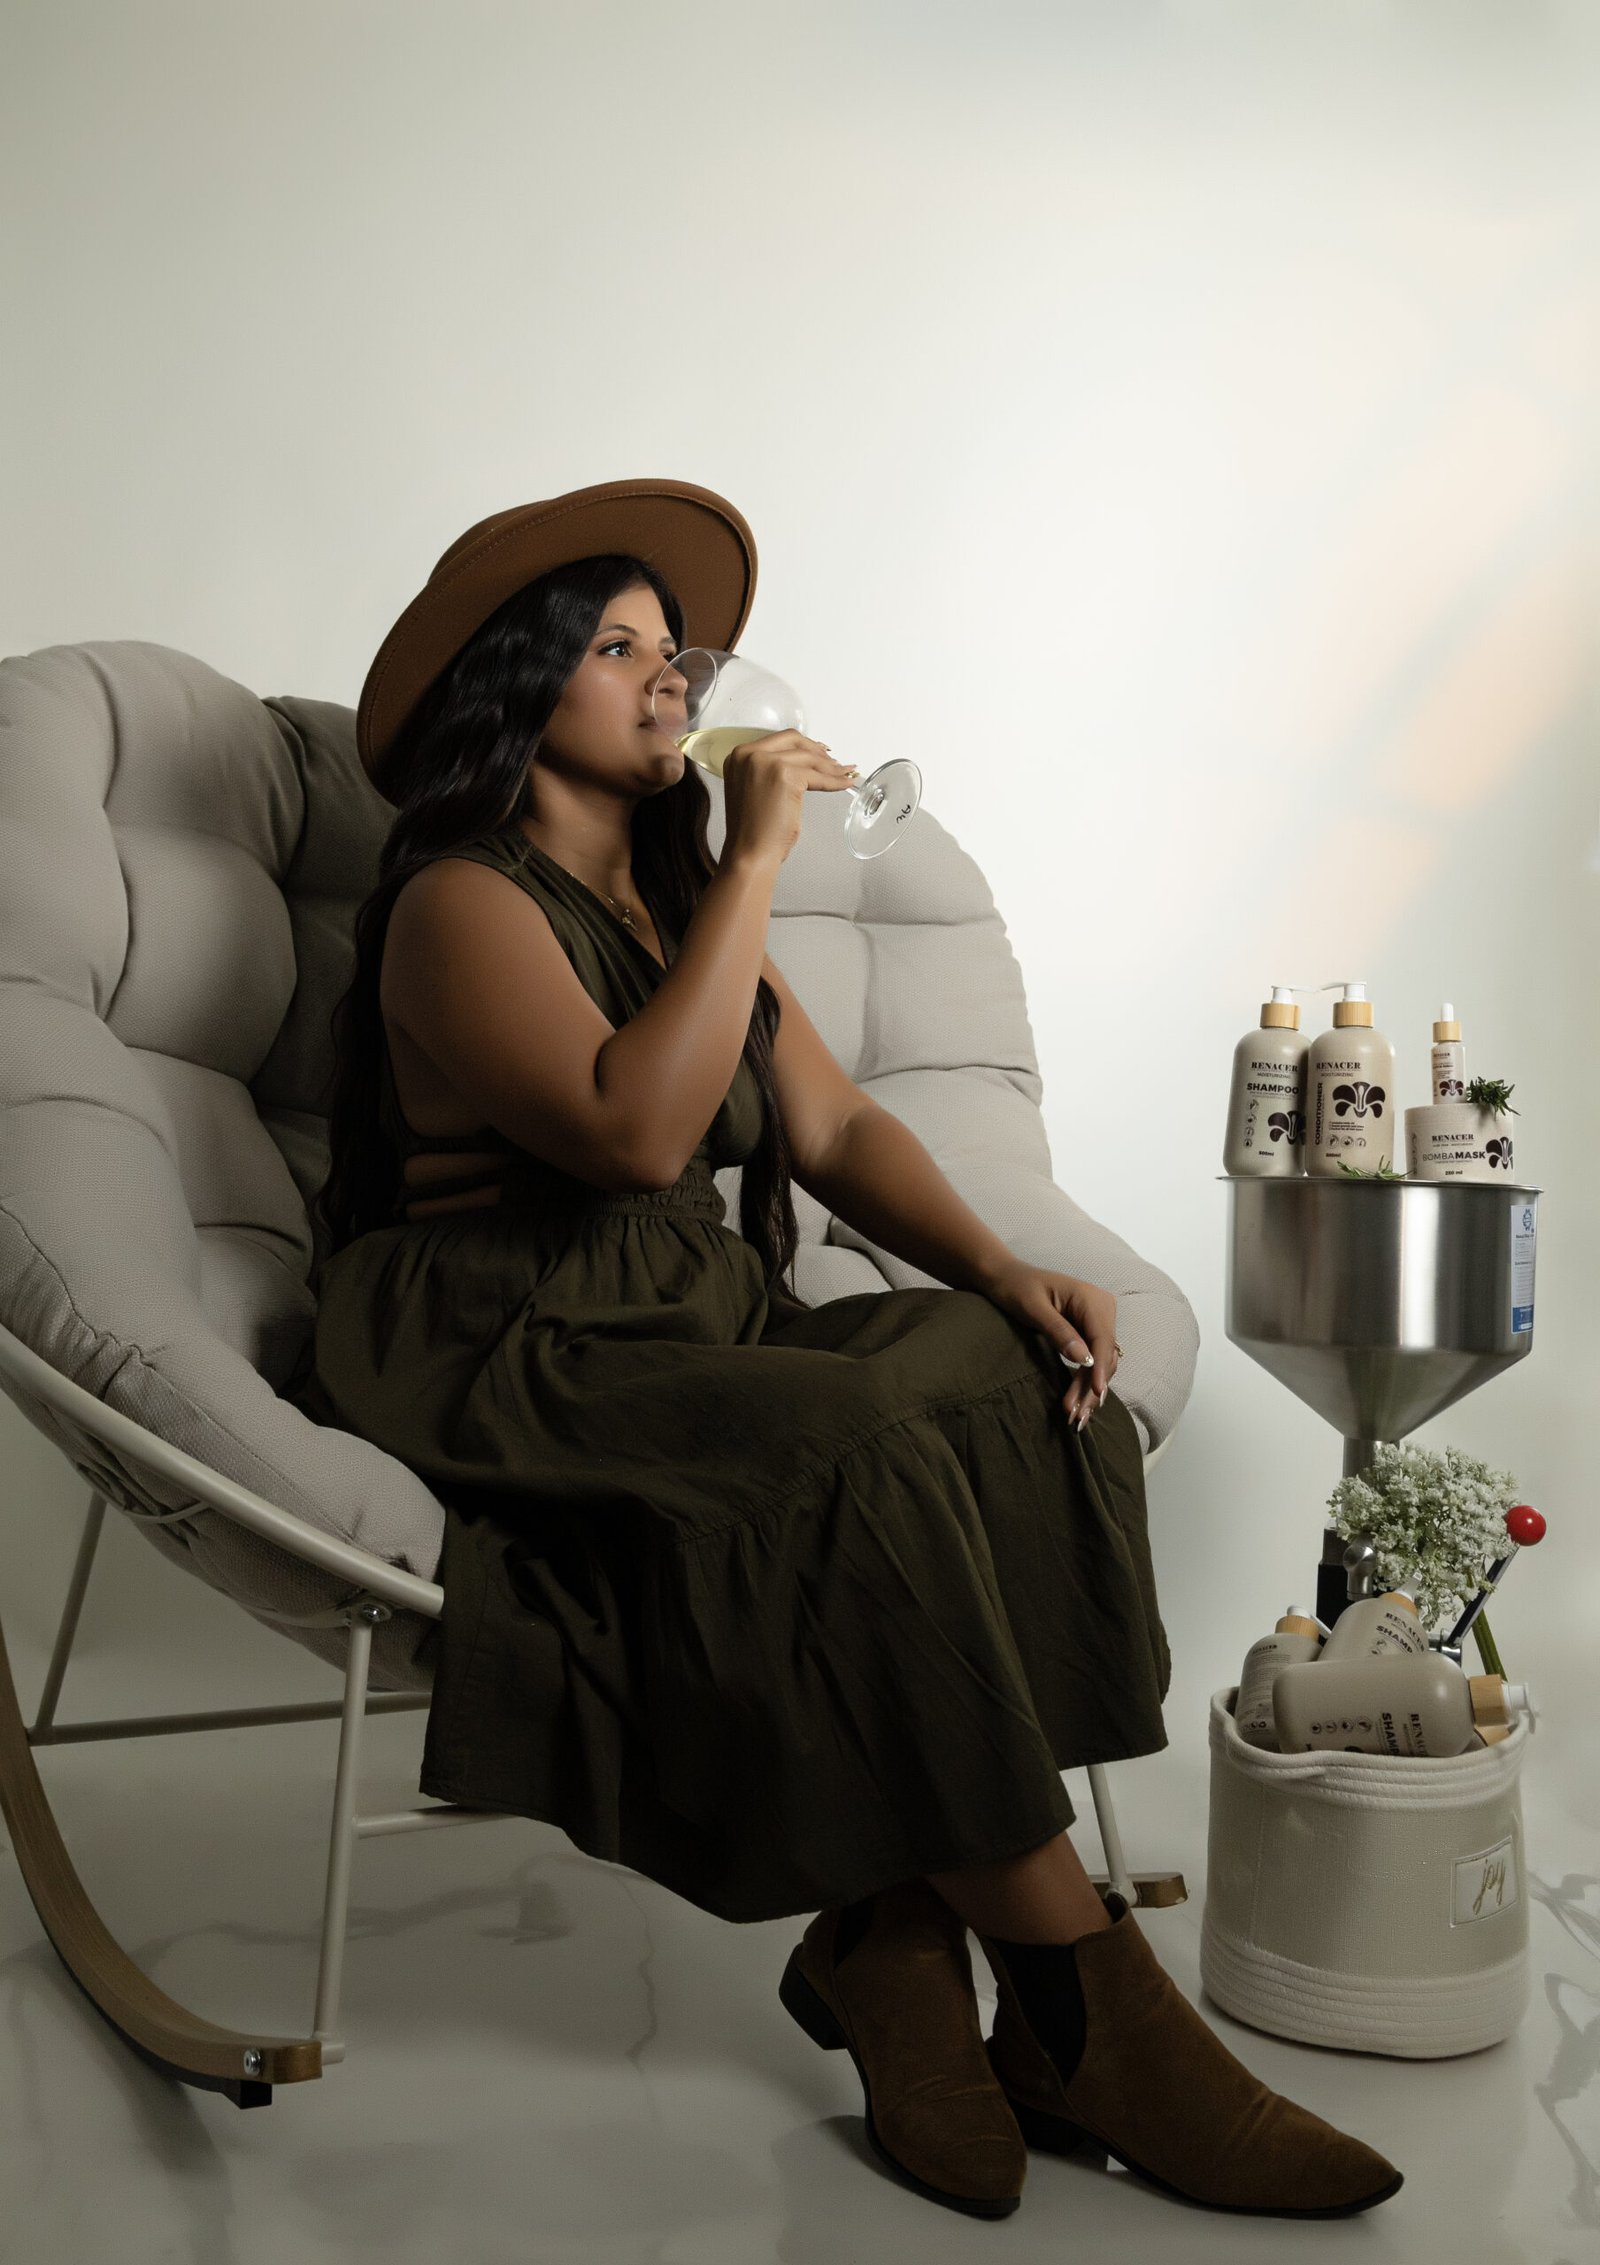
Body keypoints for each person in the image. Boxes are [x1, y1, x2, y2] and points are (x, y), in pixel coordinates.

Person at [287, 478, 1402, 2222]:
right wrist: (754, 864)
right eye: (618, 647)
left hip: (686, 1316)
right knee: (851, 1450)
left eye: (675, 648)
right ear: (517, 682)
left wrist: (1006, 1269)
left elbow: (833, 1124)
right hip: (514, 1334)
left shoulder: (674, 904)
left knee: (997, 1376)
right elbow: (635, 1136)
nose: (672, 677)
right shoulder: (457, 901)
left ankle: (888, 1929)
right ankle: (1082, 1999)